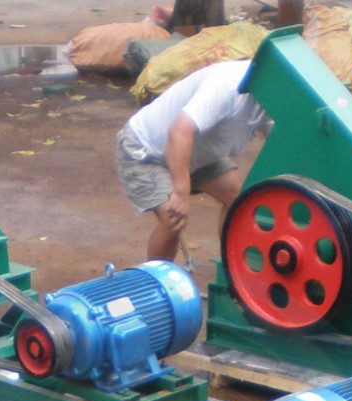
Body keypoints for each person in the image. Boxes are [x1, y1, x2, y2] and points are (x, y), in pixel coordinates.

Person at [115, 59, 270, 262]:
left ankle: (230, 268)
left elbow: (278, 140)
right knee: (173, 219)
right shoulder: (226, 86)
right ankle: (156, 278)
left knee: (240, 199)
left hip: (197, 151)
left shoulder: (271, 95)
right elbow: (180, 132)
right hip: (146, 149)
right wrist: (181, 193)